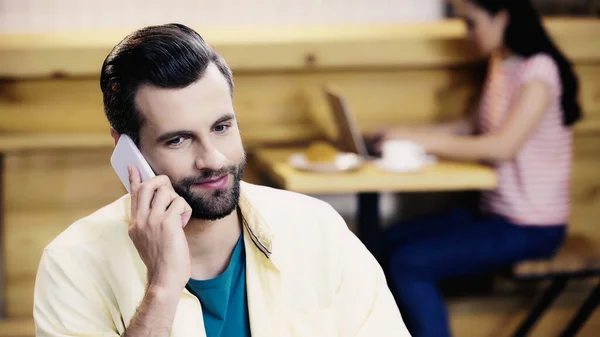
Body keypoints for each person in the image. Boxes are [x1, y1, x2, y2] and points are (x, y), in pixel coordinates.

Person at [33, 24, 410, 337]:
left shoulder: (317, 230)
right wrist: (162, 290)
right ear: (127, 150)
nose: (213, 159)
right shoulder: (72, 263)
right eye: (177, 139)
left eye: (221, 127)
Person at [368, 1, 581, 336]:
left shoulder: (539, 71)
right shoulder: (502, 62)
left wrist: (422, 144)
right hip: (493, 213)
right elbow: (469, 126)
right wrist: (404, 134)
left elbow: (502, 146)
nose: (466, 33)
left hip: (532, 225)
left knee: (409, 263)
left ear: (503, 15)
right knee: (381, 243)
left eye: (471, 23)